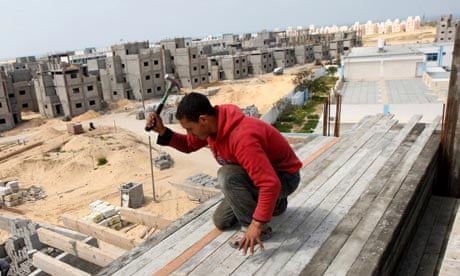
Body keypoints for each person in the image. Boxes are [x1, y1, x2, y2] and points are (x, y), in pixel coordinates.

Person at [146, 92, 301, 255]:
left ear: (203, 119)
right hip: (266, 175)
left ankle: (261, 227)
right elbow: (188, 145)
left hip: (284, 178)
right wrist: (162, 131)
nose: (190, 134)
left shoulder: (241, 138)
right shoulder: (213, 127)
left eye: (190, 129)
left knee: (226, 176)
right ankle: (276, 204)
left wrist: (255, 225)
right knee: (221, 220)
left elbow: (270, 184)